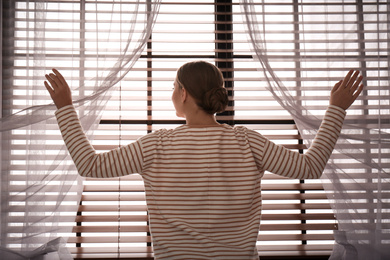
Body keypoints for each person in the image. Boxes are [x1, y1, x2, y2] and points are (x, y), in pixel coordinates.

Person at [44, 61, 364, 260]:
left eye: (173, 88)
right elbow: (310, 166)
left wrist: (65, 107)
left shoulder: (157, 145)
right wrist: (336, 108)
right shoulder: (246, 141)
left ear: (183, 93)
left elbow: (90, 165)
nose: (171, 94)